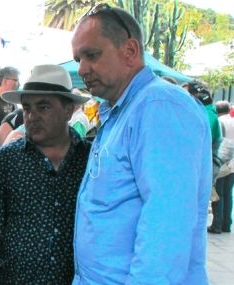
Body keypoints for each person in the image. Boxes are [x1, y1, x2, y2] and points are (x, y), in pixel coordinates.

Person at [71, 4, 210, 284]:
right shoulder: (120, 109)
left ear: (130, 51)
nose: (83, 69)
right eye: (78, 59)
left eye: (92, 55)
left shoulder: (159, 105)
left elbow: (167, 225)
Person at [0, 64, 91, 284]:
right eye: (27, 108)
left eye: (43, 107)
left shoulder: (91, 160)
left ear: (68, 110)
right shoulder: (5, 161)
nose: (31, 116)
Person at [209, 100, 234, 234]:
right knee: (228, 194)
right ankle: (227, 224)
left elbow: (218, 141)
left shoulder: (220, 121)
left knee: (218, 195)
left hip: (221, 163)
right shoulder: (232, 120)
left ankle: (216, 225)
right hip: (232, 165)